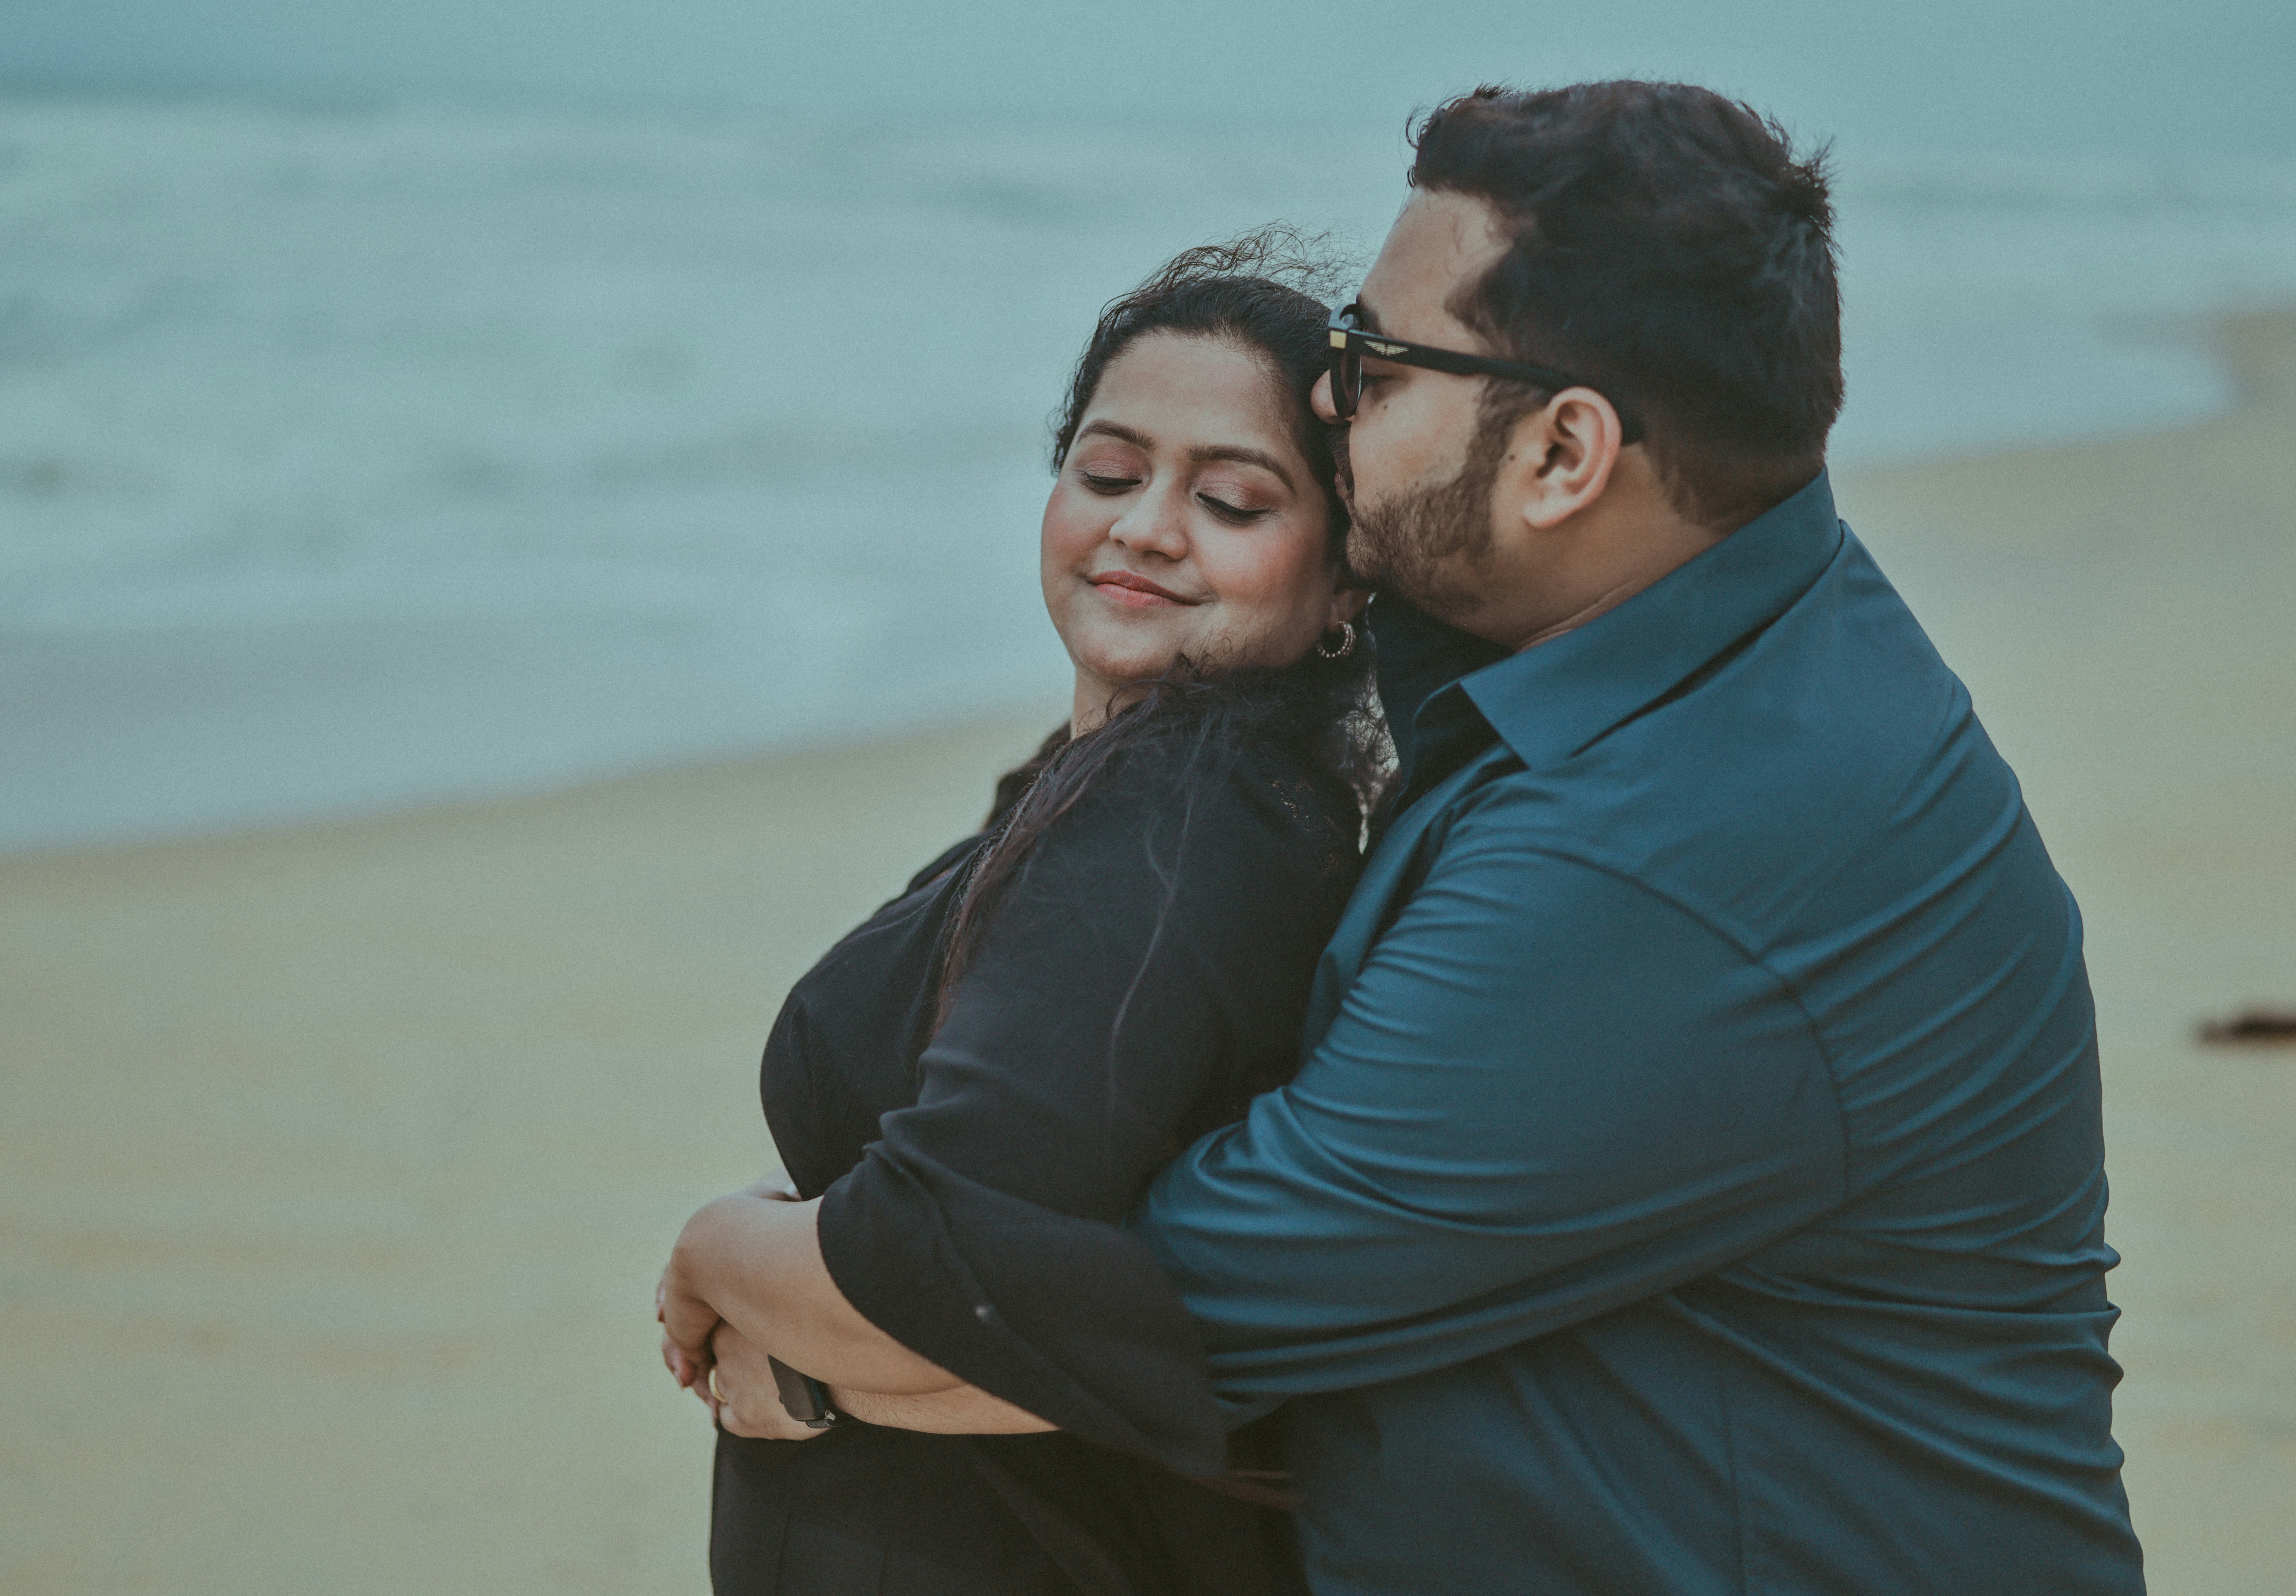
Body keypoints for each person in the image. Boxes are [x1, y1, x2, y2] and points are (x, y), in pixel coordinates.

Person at [688, 81, 2148, 1595]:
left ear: (1564, 458)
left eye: (1373, 366)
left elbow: (1105, 1308)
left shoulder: (1670, 860)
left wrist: (742, 1274)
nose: (1324, 401)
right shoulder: (1694, 641)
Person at [655, 235, 1384, 1596]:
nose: (1144, 525)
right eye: (1107, 472)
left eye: (1229, 499)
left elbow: (955, 1261)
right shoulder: (1126, 788)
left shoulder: (1182, 810)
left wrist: (719, 1249)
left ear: (1344, 580)